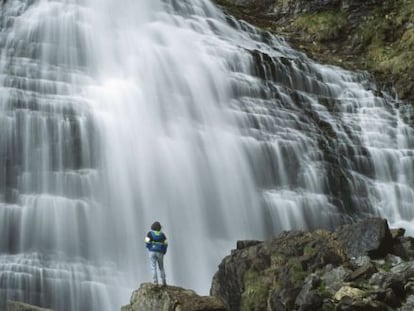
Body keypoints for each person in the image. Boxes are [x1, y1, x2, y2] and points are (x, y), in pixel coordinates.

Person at [145, 221, 168, 286]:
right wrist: (164, 251)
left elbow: (146, 242)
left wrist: (149, 248)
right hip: (160, 252)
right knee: (161, 267)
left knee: (153, 267)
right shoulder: (162, 235)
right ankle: (164, 282)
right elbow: (166, 244)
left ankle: (155, 282)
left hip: (152, 252)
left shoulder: (149, 233)